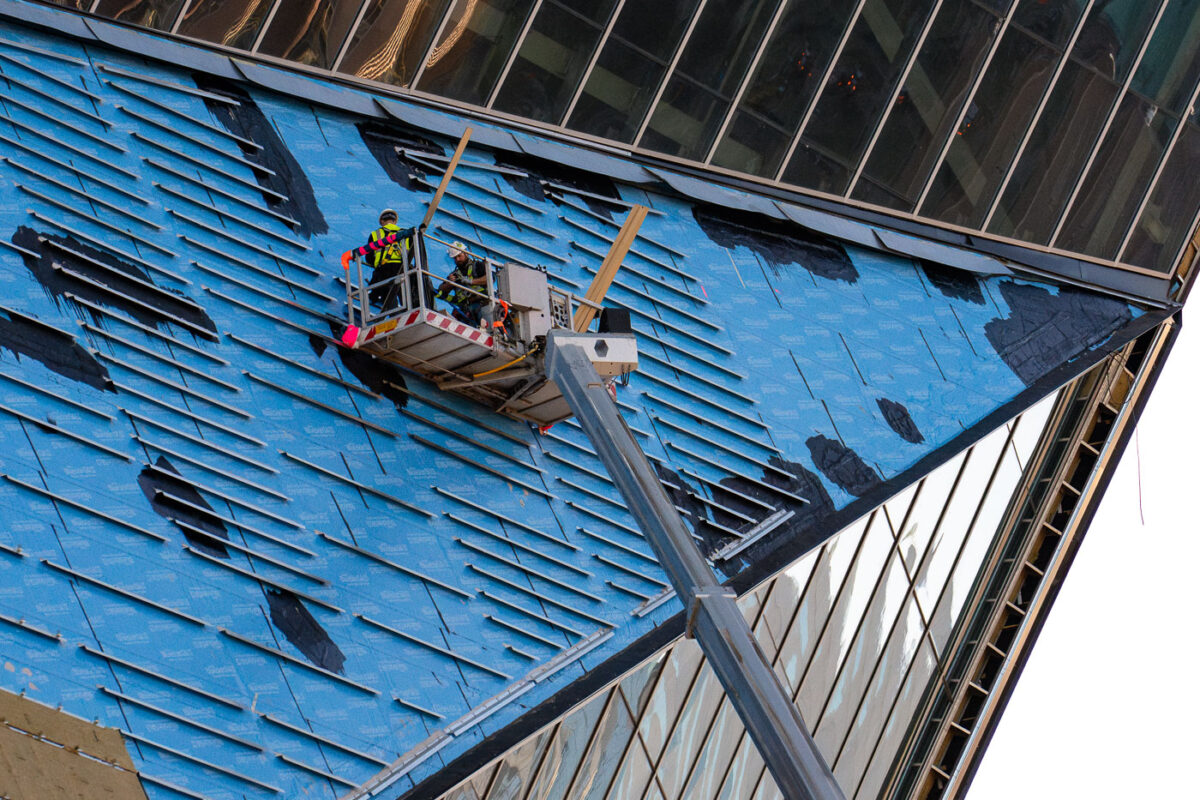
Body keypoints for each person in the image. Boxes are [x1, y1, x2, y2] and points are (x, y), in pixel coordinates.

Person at [341, 209, 417, 309]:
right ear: (395, 221)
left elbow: (369, 258)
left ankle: (395, 316)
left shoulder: (375, 234)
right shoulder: (406, 233)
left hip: (384, 270)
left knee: (388, 296)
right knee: (405, 295)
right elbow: (413, 253)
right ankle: (409, 314)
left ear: (381, 221)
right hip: (402, 268)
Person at [437, 241, 490, 326]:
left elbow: (490, 279)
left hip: (481, 304)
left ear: (466, 253)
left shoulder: (478, 265)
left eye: (459, 256)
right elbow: (441, 290)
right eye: (455, 258)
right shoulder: (455, 274)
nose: (457, 259)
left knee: (485, 327)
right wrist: (450, 283)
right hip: (465, 309)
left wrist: (471, 281)